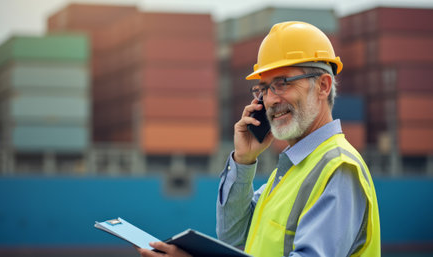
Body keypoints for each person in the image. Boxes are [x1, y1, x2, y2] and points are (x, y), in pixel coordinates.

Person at [139, 21, 380, 257]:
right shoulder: (290, 172)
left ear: (323, 86)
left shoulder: (338, 169)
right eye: (263, 89)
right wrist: (243, 160)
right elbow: (233, 236)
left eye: (282, 83)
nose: (270, 100)